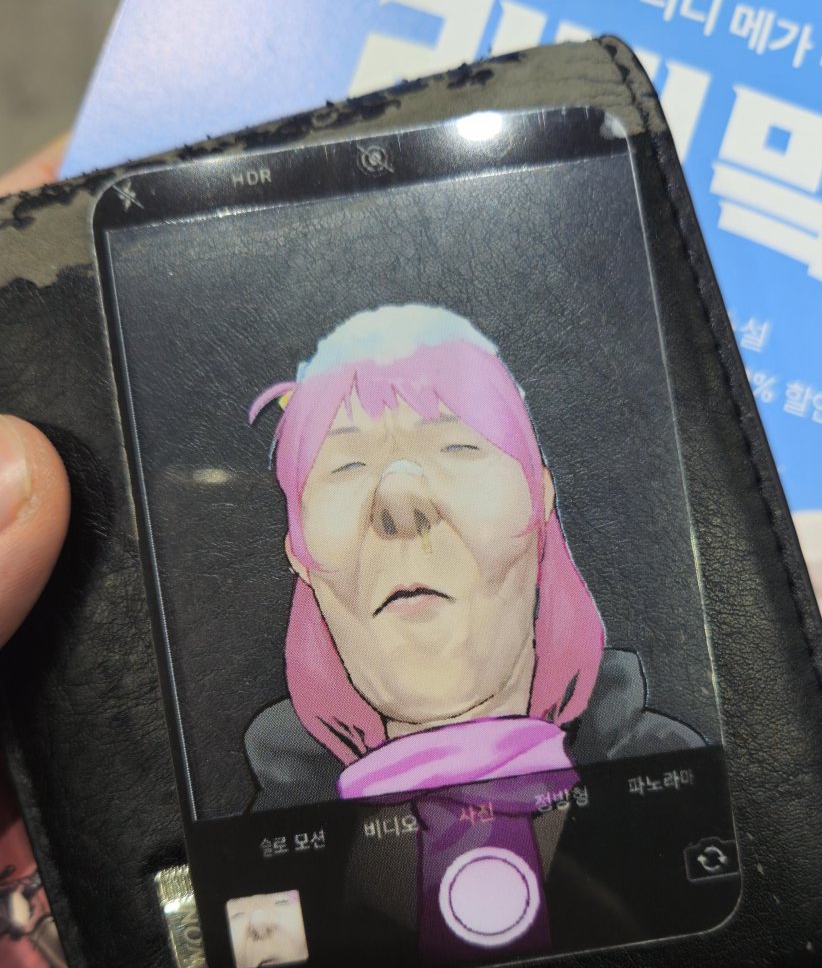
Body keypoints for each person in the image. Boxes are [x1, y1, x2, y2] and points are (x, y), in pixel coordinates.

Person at [245, 304, 702, 814]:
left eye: (457, 447)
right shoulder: (276, 831)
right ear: (300, 554)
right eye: (347, 465)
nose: (400, 503)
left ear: (539, 500)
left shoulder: (668, 776)